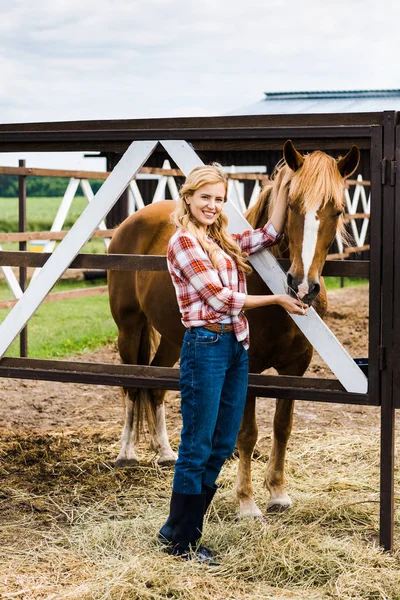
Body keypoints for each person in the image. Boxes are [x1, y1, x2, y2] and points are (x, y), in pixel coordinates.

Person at [158, 164, 307, 563]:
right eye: (204, 197)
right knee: (197, 444)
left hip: (235, 347)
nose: (212, 205)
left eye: (219, 198)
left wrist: (282, 186)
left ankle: (181, 529)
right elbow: (220, 299)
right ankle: (182, 539)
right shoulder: (184, 243)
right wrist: (276, 299)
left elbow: (269, 234)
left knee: (223, 443)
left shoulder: (220, 238)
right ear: (188, 197)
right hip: (205, 345)